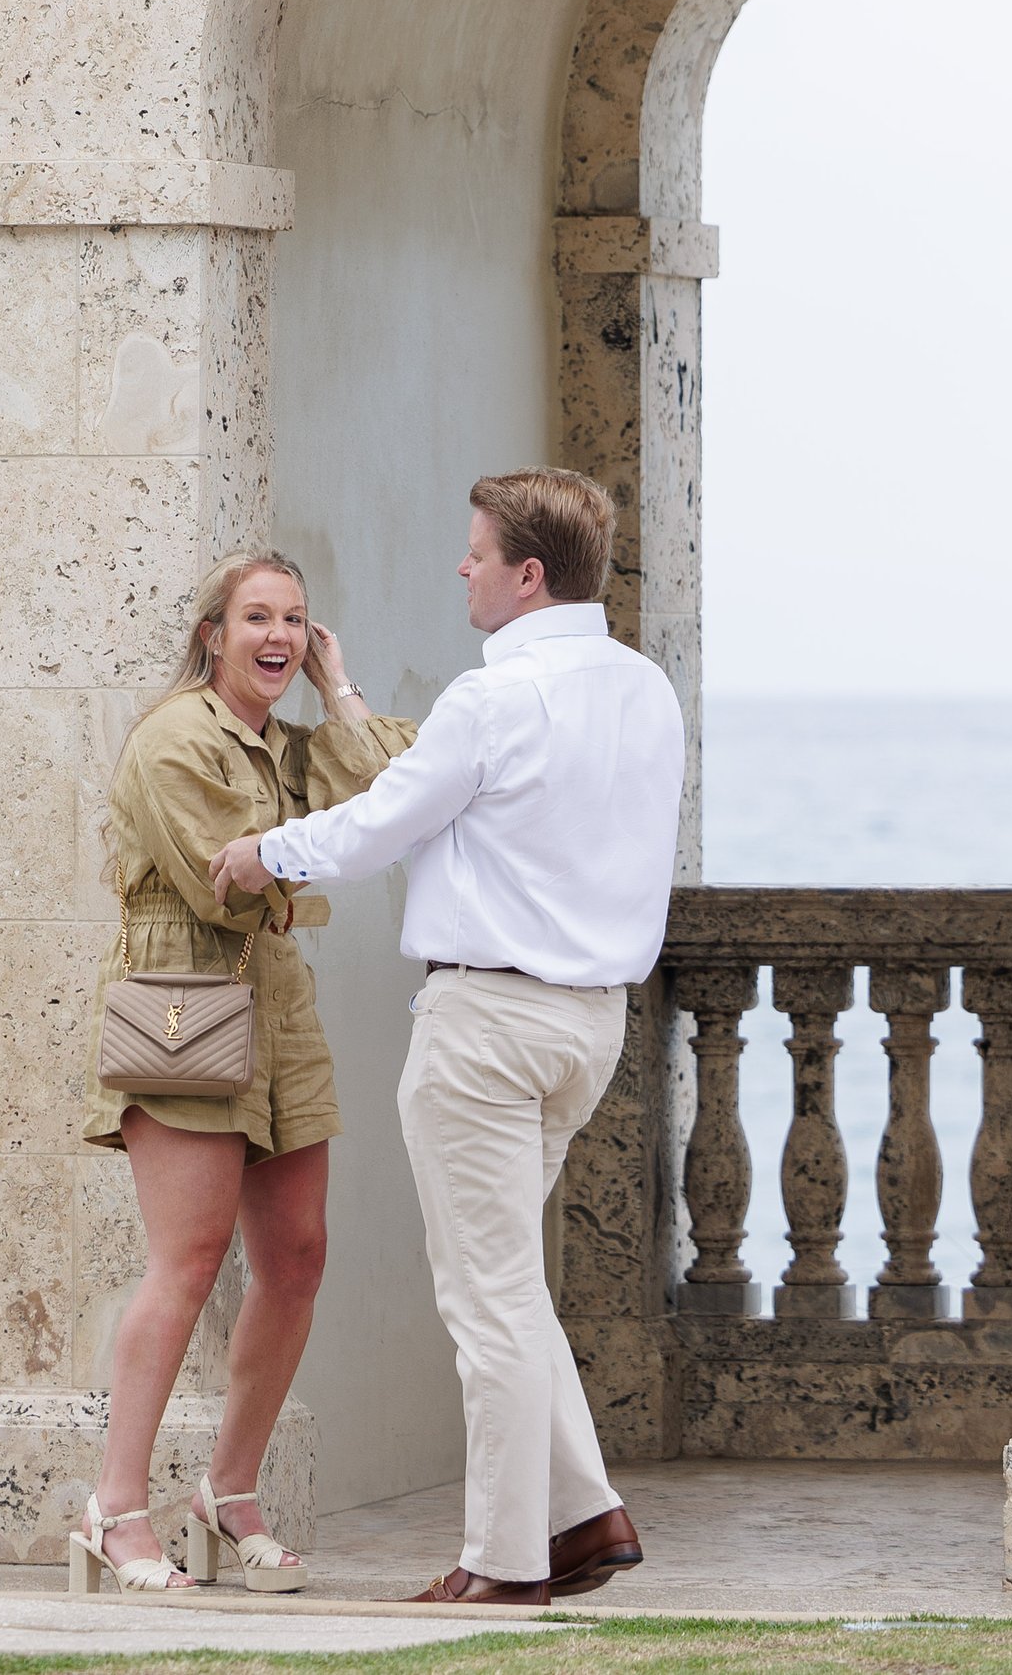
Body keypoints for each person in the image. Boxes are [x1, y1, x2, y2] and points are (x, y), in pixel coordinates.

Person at [210, 468, 683, 1608]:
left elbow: (382, 823)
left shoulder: (496, 698)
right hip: (590, 1028)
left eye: (475, 552)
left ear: (526, 575)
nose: (460, 568)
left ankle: (503, 1562)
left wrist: (259, 855)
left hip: (487, 1027)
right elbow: (425, 789)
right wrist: (349, 693)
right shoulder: (645, 690)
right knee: (513, 1286)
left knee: (490, 1302)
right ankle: (586, 1518)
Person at [75, 550, 414, 1596]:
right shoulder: (174, 740)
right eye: (256, 617)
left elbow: (397, 786)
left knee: (297, 1259)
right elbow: (224, 883)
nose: (276, 636)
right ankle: (114, 1512)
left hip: (277, 1014)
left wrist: (339, 688)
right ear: (210, 634)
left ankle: (227, 1497)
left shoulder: (293, 739)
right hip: (183, 1005)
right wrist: (314, 868)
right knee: (186, 1262)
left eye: (296, 621)